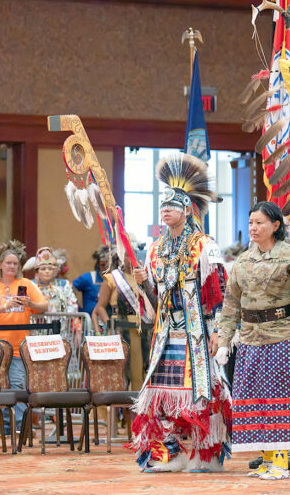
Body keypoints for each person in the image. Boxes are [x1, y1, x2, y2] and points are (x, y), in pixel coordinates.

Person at [212, 201, 290, 481]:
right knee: (252, 398)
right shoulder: (242, 261)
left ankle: (279, 461)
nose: (253, 228)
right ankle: (265, 459)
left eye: (260, 223)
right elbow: (230, 307)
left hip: (284, 337)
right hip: (251, 339)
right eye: (251, 222)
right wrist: (225, 342)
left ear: (275, 226)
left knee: (280, 396)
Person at [130, 153, 231, 473]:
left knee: (201, 394)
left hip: (197, 334)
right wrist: (143, 284)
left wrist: (218, 332)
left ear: (188, 210)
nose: (166, 209)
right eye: (163, 205)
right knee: (159, 396)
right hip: (165, 334)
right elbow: (155, 300)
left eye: (173, 205)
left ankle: (206, 455)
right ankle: (169, 454)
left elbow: (219, 294)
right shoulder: (155, 249)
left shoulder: (205, 245)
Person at [0, 240, 48, 433]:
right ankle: (4, 426)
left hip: (18, 346)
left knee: (17, 384)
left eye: (15, 263)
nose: (12, 266)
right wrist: (5, 306)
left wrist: (30, 304)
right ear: (0, 265)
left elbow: (44, 306)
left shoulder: (26, 284)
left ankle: (19, 425)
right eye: (8, 263)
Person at [91, 251, 155, 390]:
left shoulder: (145, 279)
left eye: (134, 253)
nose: (132, 257)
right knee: (113, 374)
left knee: (137, 373)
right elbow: (100, 307)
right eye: (127, 254)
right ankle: (108, 410)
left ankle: (136, 410)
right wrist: (111, 326)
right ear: (120, 258)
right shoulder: (112, 278)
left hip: (139, 330)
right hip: (118, 329)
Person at [73, 245, 109, 314]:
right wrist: (78, 309)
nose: (106, 268)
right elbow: (70, 289)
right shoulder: (88, 278)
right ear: (98, 264)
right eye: (102, 265)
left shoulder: (116, 278)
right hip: (90, 321)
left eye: (108, 265)